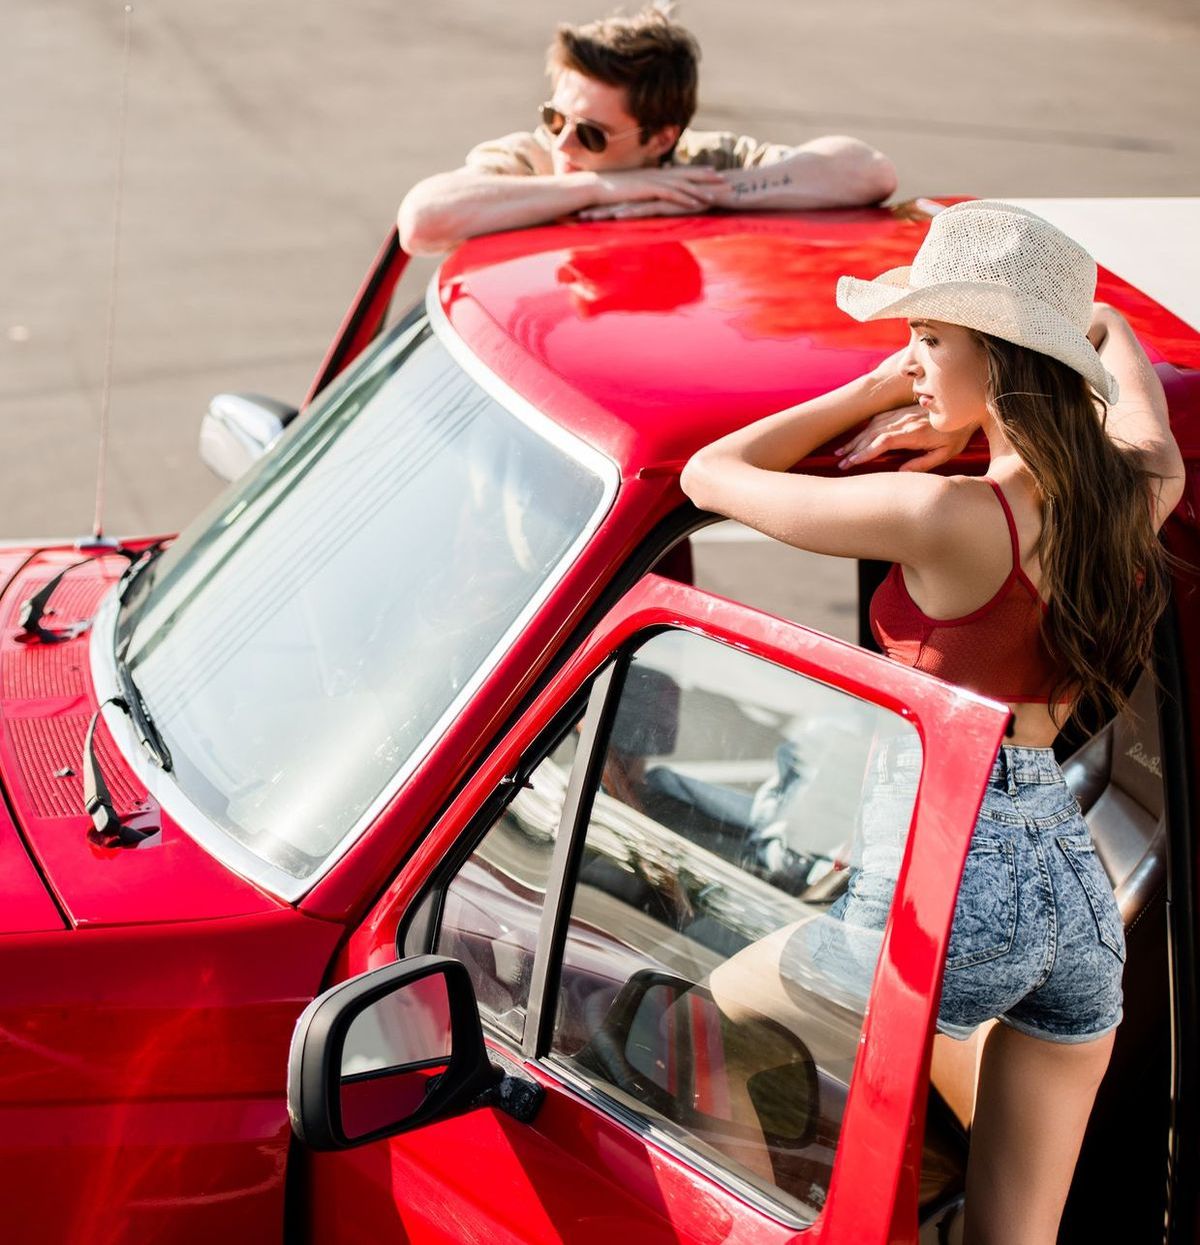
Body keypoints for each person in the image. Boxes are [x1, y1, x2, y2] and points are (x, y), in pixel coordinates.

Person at [680, 200, 1184, 1245]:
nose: (908, 360)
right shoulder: (1133, 491)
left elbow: (710, 476)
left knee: (710, 1018)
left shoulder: (947, 518)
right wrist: (1096, 334)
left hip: (959, 874)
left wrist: (866, 394)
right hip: (1071, 888)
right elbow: (1144, 421)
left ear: (998, 362)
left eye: (928, 338)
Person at [398, 7, 896, 256]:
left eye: (591, 134)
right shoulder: (530, 160)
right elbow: (421, 221)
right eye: (554, 117)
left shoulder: (705, 161)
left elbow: (866, 171)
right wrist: (596, 186)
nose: (562, 142)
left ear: (661, 138)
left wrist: (704, 194)